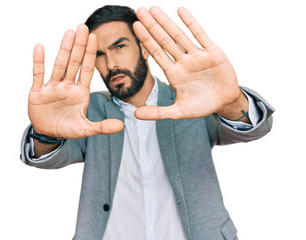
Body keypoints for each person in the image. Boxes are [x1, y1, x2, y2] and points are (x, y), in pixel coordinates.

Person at [20, 5, 274, 240]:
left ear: (144, 48)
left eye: (120, 47)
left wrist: (229, 102)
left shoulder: (191, 100)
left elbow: (252, 129)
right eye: (99, 54)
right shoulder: (89, 110)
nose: (111, 64)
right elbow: (50, 155)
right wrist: (45, 133)